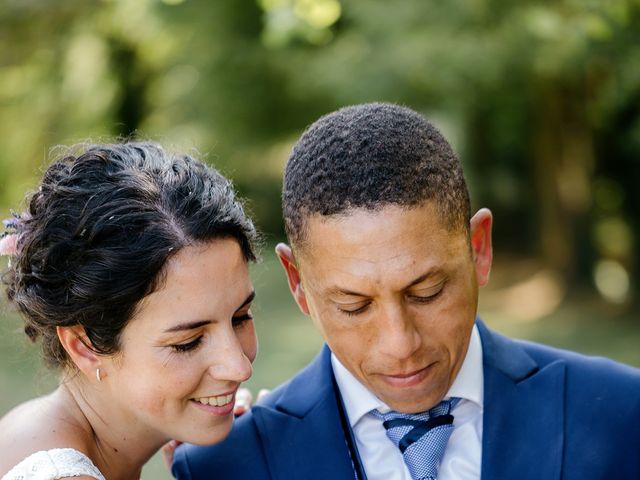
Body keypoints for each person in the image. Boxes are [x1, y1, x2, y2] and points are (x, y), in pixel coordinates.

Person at [173, 103, 640, 479]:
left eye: (427, 292)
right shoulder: (226, 466)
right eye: (353, 306)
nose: (401, 345)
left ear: (479, 249)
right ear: (298, 283)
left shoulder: (623, 413)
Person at [0, 142, 259, 480]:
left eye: (240, 318)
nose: (238, 367)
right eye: (188, 342)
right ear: (85, 345)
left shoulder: (34, 424)